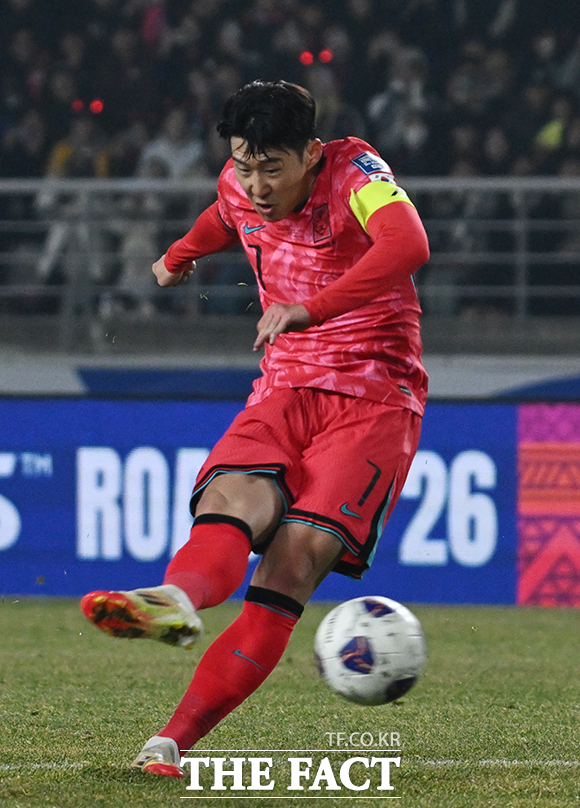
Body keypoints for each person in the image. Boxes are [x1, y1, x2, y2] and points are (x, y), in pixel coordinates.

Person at [80, 79, 430, 778]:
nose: (257, 182)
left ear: (310, 153)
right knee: (230, 500)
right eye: (245, 163)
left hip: (372, 397)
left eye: (273, 166)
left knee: (291, 564)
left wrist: (312, 307)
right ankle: (174, 601)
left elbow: (408, 243)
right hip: (283, 386)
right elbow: (225, 214)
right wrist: (181, 253)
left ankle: (170, 739)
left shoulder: (358, 175)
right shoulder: (239, 184)